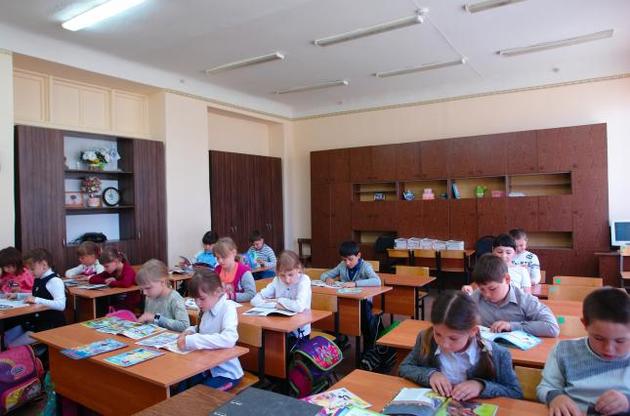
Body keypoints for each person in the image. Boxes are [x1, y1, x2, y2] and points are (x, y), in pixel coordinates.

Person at [399, 291, 522, 400]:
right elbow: (405, 367)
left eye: (453, 338)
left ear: (472, 331)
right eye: (438, 334)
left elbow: (515, 392)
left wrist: (481, 386)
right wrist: (430, 375)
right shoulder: (425, 338)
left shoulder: (498, 354)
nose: (444, 344)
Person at [537, 288, 630, 416]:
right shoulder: (563, 351)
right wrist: (555, 397)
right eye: (599, 338)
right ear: (585, 324)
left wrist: (627, 402)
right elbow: (546, 387)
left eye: (620, 341)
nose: (609, 348)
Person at [176, 269, 243, 391]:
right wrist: (189, 331)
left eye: (202, 299)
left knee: (200, 395)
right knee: (181, 386)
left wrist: (193, 340)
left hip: (226, 373)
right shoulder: (207, 307)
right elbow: (202, 329)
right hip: (206, 367)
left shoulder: (228, 308)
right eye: (195, 299)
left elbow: (229, 339)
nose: (198, 303)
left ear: (217, 292)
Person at [464, 254, 559, 337]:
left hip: (517, 349)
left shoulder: (524, 299)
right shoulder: (477, 296)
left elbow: (552, 327)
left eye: (492, 289)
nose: (487, 295)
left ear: (507, 279)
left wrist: (512, 326)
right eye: (482, 289)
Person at [320, 241, 382, 345]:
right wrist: (327, 278)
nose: (347, 263)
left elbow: (377, 281)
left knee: (364, 318)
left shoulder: (365, 266)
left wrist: (355, 283)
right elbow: (324, 275)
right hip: (344, 299)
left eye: (350, 259)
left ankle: (368, 346)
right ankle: (338, 339)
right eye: (344, 260)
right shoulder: (342, 265)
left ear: (358, 256)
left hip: (362, 302)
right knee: (331, 312)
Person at [4, 248, 66, 347]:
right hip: (34, 321)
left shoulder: (54, 281)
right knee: (6, 340)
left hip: (49, 325)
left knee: (11, 346)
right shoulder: (39, 278)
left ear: (44, 265)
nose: (29, 272)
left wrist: (37, 300)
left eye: (32, 269)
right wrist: (18, 295)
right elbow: (36, 296)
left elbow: (61, 305)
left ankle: (35, 353)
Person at [251, 250, 311, 342]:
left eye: (290, 275)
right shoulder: (277, 280)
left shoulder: (304, 280)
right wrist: (275, 305)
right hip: (279, 326)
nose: (287, 280)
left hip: (299, 331)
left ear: (298, 268)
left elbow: (299, 306)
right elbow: (254, 301)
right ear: (278, 272)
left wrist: (279, 300)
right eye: (282, 275)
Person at [136, 259, 189, 332]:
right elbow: (148, 321)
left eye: (148, 288)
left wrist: (156, 318)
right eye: (142, 289)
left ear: (162, 282)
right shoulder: (149, 296)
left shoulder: (174, 298)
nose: (144, 292)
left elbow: (184, 326)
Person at [213, 238, 255, 302]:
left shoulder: (244, 271)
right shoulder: (217, 270)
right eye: (218, 258)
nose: (220, 261)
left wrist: (230, 296)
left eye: (223, 257)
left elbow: (251, 294)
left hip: (240, 306)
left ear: (234, 253)